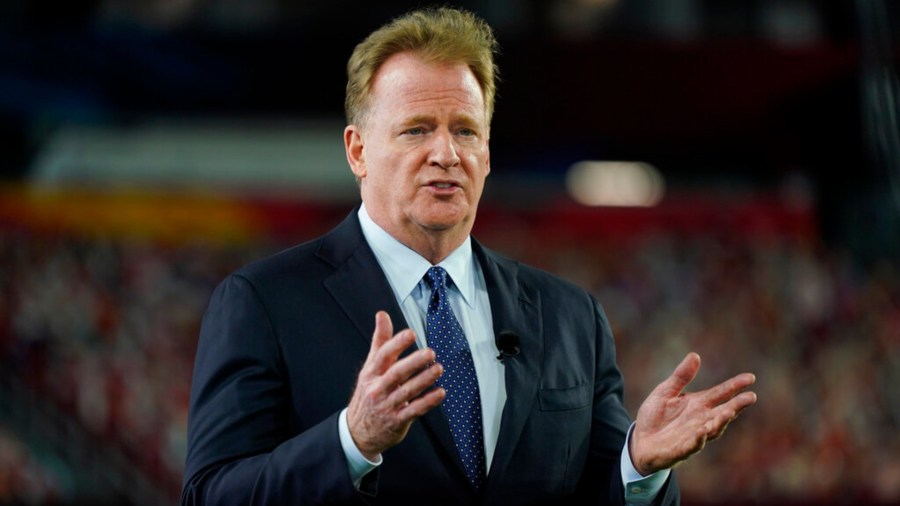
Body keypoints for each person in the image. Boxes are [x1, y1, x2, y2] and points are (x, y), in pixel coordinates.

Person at [181, 7, 757, 505]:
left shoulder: (569, 317)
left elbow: (596, 491)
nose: (445, 153)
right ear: (358, 151)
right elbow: (212, 494)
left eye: (465, 130)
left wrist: (638, 467)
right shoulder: (265, 303)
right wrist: (352, 441)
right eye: (416, 130)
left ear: (487, 151)